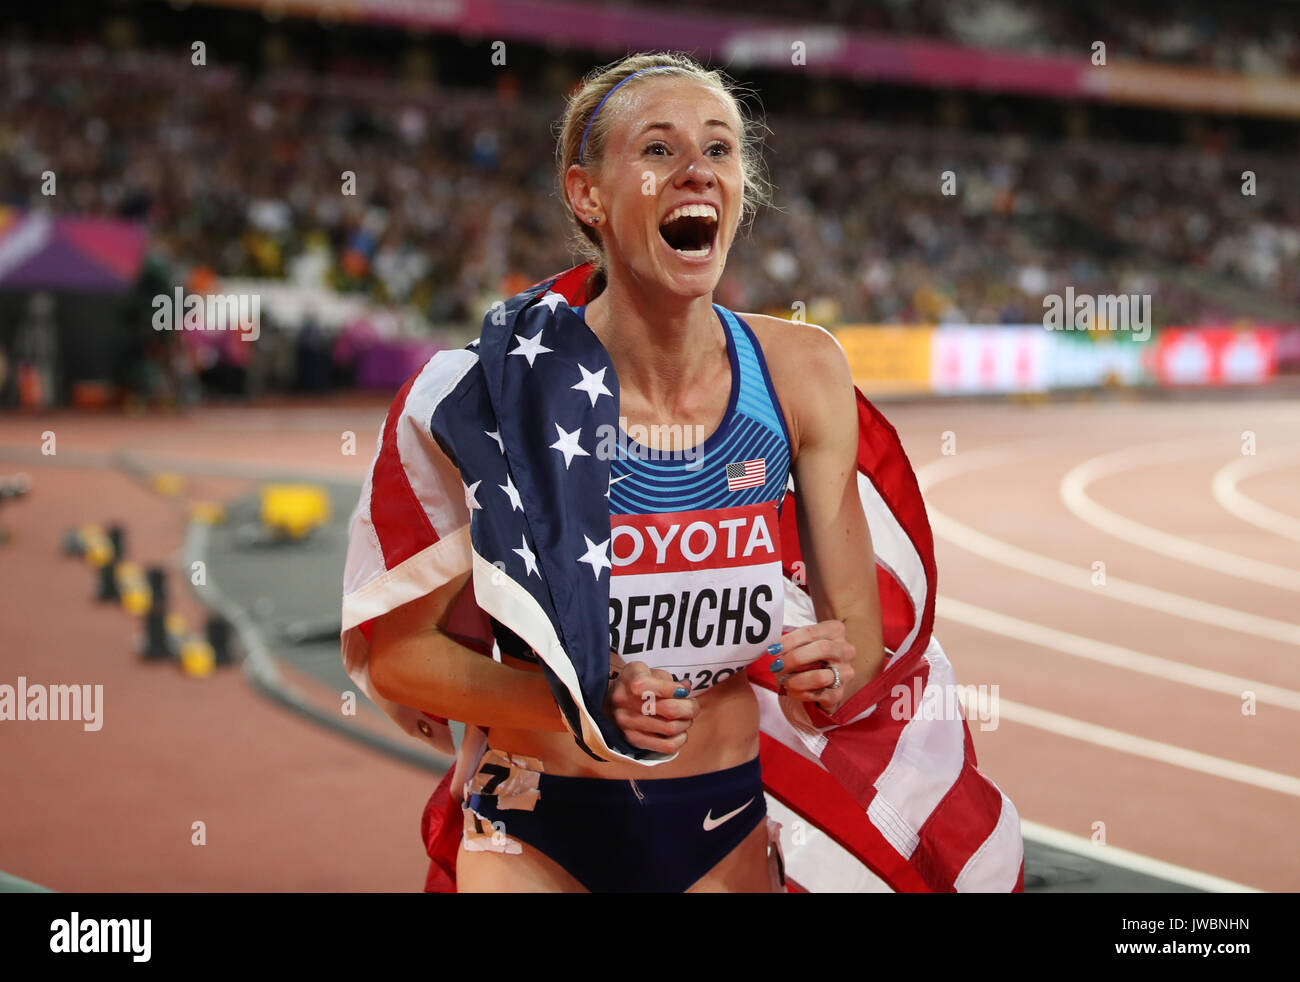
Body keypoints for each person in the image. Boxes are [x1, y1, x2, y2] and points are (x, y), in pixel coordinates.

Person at [363, 52, 888, 893]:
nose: (697, 171)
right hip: (535, 820)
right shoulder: (491, 392)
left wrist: (831, 665)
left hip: (718, 823)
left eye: (719, 150)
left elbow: (859, 638)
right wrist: (577, 705)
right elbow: (397, 658)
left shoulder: (801, 371)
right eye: (657, 150)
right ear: (587, 196)